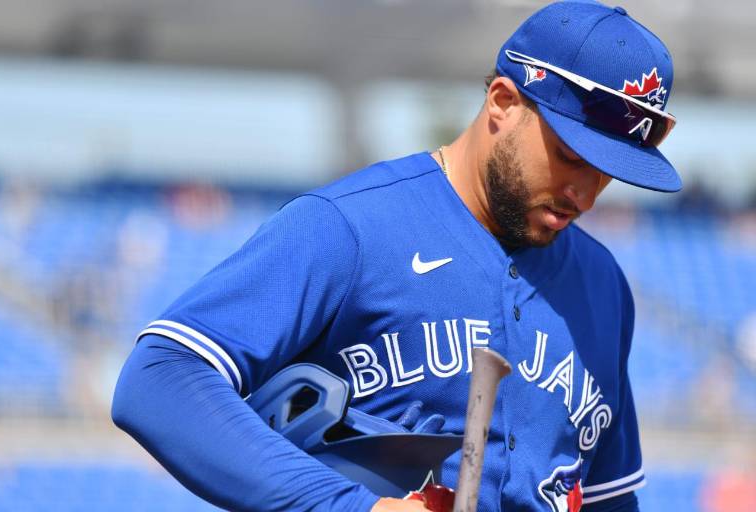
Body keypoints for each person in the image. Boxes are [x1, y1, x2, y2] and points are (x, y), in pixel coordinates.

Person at [112, 1, 682, 511]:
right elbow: (160, 378)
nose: (585, 194)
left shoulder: (602, 284)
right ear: (504, 102)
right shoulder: (351, 226)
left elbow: (610, 495)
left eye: (607, 172)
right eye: (570, 156)